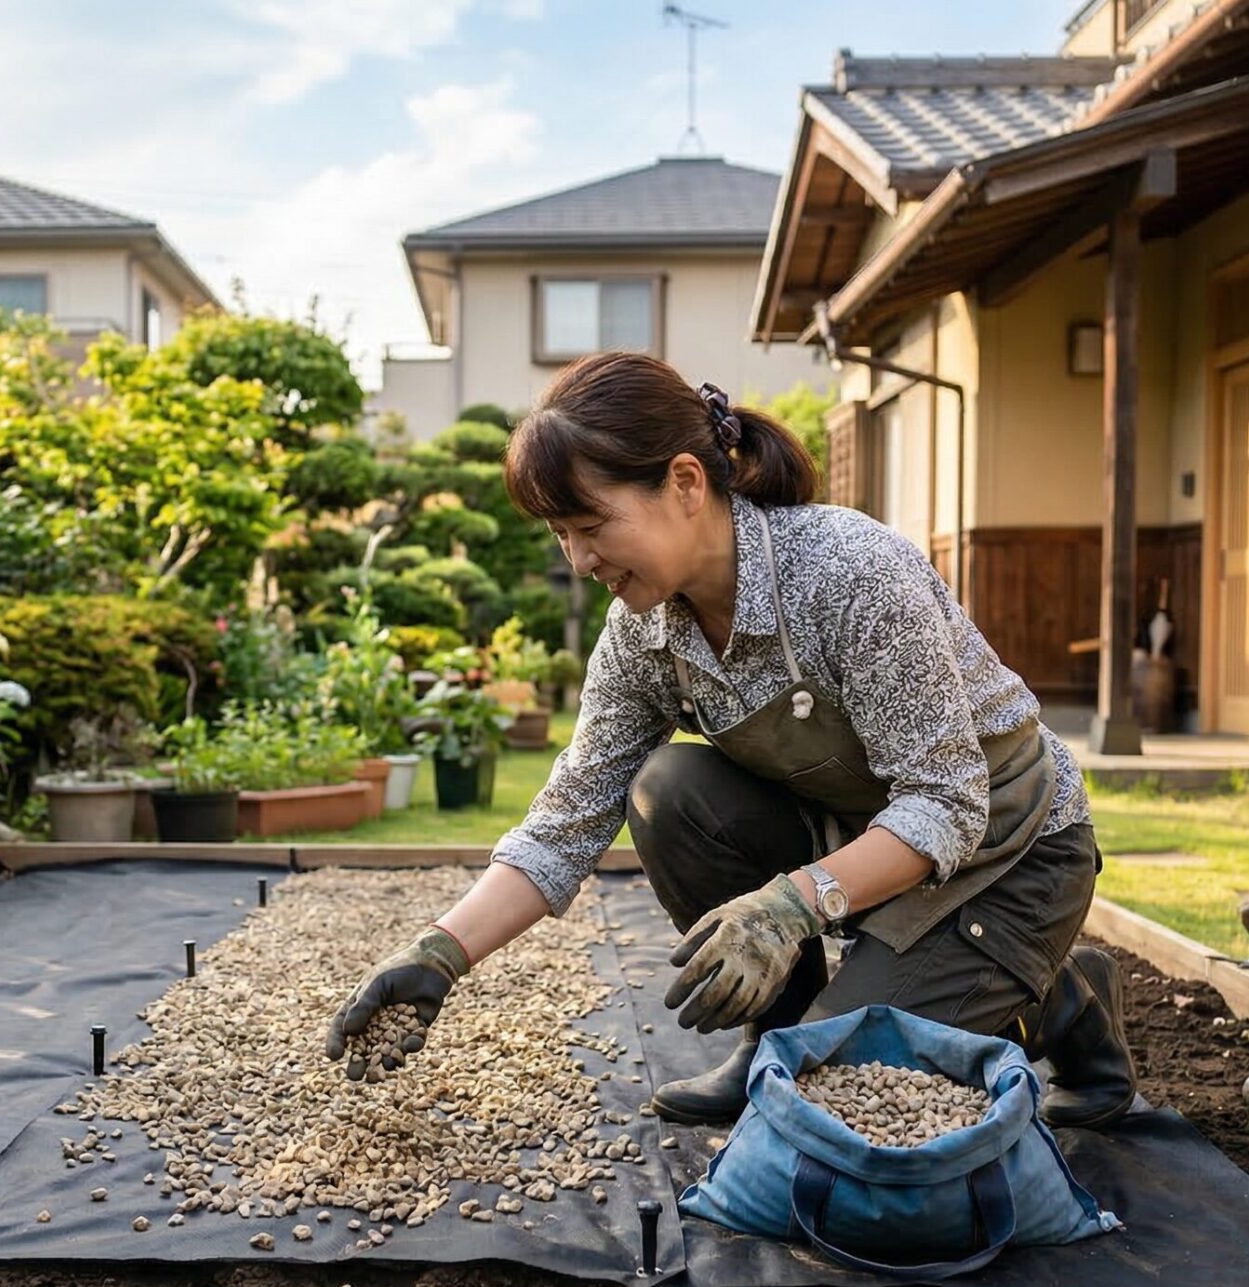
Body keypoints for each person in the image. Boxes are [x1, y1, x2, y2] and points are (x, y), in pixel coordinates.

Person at [325, 351, 1136, 1127]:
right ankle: (774, 1040)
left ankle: (1061, 994)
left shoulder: (850, 572)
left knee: (830, 1105)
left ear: (683, 482)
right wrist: (439, 953)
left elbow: (945, 805)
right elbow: (567, 819)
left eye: (587, 524)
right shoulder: (645, 634)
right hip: (861, 843)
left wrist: (787, 906)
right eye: (558, 534)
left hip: (1010, 850)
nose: (576, 560)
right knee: (669, 791)